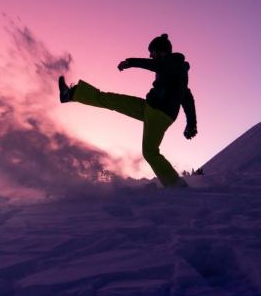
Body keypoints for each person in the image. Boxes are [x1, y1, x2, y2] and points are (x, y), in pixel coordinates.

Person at [58, 33, 197, 188]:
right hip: (149, 107)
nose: (150, 55)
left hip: (160, 114)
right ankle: (71, 94)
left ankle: (175, 185)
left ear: (162, 51)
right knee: (112, 100)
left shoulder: (174, 64)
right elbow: (188, 98)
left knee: (150, 152)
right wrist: (191, 124)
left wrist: (131, 62)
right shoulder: (175, 70)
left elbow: (160, 68)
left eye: (152, 52)